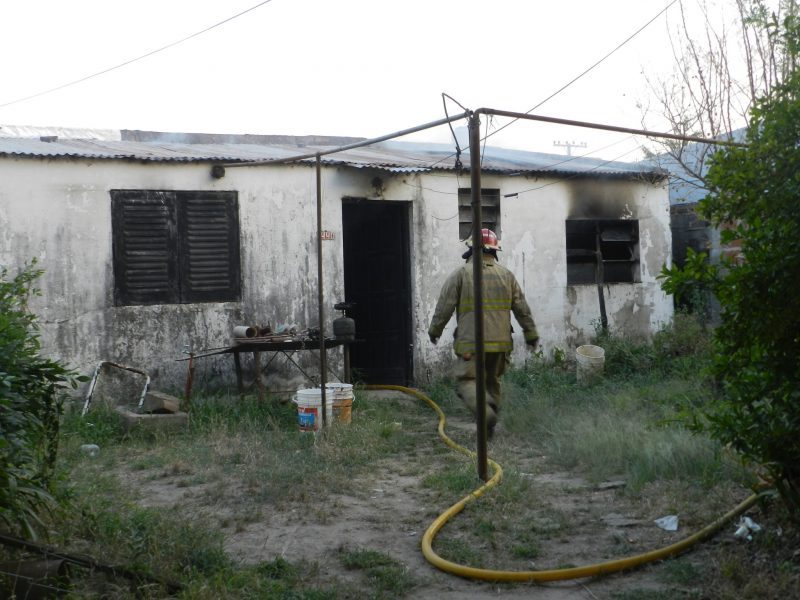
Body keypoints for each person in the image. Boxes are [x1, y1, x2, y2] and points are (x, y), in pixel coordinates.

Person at [428, 229, 539, 437]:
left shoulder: (461, 274)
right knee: (492, 381)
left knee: (466, 381)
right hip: (501, 344)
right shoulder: (507, 275)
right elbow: (521, 308)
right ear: (494, 251)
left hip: (471, 343)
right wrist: (531, 333)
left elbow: (444, 306)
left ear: (471, 249)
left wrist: (435, 330)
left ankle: (486, 415)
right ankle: (489, 425)